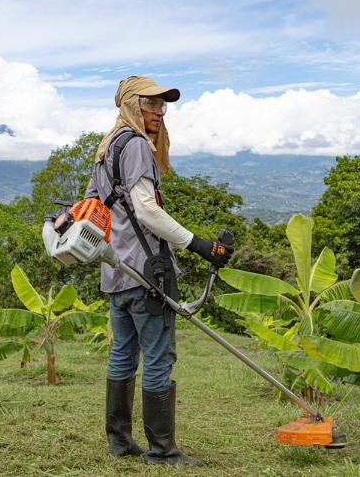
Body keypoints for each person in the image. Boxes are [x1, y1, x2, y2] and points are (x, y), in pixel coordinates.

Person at [84, 75, 234, 466]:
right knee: (157, 358)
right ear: (133, 105)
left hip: (115, 272)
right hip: (145, 272)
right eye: (151, 104)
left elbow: (93, 205)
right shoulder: (134, 146)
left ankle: (119, 443)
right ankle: (163, 451)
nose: (159, 112)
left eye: (162, 105)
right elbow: (148, 210)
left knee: (122, 355)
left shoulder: (108, 146)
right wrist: (199, 245)